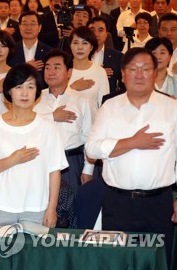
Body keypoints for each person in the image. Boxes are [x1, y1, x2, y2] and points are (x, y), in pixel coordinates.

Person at [85, 47, 177, 267]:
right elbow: (91, 150)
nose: (139, 74)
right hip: (118, 203)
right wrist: (132, 143)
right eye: (133, 69)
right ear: (123, 74)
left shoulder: (172, 108)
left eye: (145, 69)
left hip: (159, 204)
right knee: (116, 262)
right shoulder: (110, 107)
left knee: (157, 262)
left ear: (155, 73)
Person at [0, 63, 68, 227]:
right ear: (9, 91)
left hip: (37, 208)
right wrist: (13, 159)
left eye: (30, 87)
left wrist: (52, 208)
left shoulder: (47, 127)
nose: (25, 93)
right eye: (19, 87)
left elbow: (54, 171)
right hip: (3, 208)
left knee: (34, 253)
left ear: (37, 92)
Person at [34, 49, 94, 190]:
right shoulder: (35, 98)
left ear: (69, 72)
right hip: (40, 162)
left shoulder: (83, 100)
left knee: (73, 209)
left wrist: (88, 169)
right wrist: (52, 117)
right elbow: (25, 125)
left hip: (72, 163)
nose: (51, 72)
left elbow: (90, 137)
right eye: (47, 68)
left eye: (56, 67)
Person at [68, 26, 110, 108]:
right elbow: (54, 99)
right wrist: (72, 87)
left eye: (85, 43)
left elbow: (104, 105)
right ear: (70, 46)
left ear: (91, 47)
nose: (80, 47)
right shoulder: (62, 70)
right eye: (75, 43)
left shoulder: (100, 72)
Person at [9, 11, 52, 88]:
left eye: (32, 24)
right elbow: (8, 75)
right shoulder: (11, 50)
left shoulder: (49, 52)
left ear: (39, 27)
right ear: (19, 27)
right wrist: (25, 67)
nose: (28, 28)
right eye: (25, 24)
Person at [87, 17, 123, 92]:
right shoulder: (78, 55)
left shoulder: (117, 57)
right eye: (92, 30)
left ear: (106, 34)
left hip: (108, 101)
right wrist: (98, 73)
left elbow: (123, 85)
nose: (96, 34)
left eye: (100, 30)